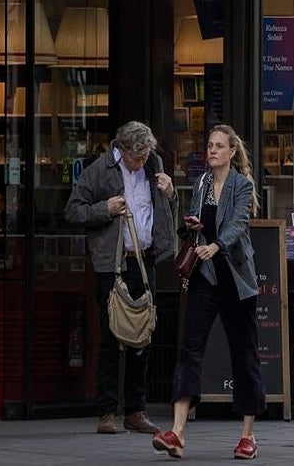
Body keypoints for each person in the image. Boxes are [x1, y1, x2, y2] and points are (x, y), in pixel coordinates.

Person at [155, 125, 261, 463]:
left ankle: (247, 435)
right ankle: (178, 432)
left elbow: (237, 224)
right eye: (209, 146)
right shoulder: (201, 183)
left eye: (218, 147)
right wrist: (180, 206)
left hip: (235, 279)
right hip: (206, 276)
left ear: (231, 152)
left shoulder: (242, 185)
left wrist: (215, 244)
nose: (212, 151)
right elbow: (192, 223)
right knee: (190, 348)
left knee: (243, 353)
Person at [66, 121, 178, 436]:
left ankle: (135, 410)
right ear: (122, 149)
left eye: (144, 157)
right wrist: (105, 208)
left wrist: (170, 194)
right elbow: (73, 211)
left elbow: (167, 210)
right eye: (136, 158)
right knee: (112, 336)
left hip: (145, 261)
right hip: (111, 265)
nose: (140, 162)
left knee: (143, 336)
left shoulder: (154, 166)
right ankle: (107, 411)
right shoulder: (99, 170)